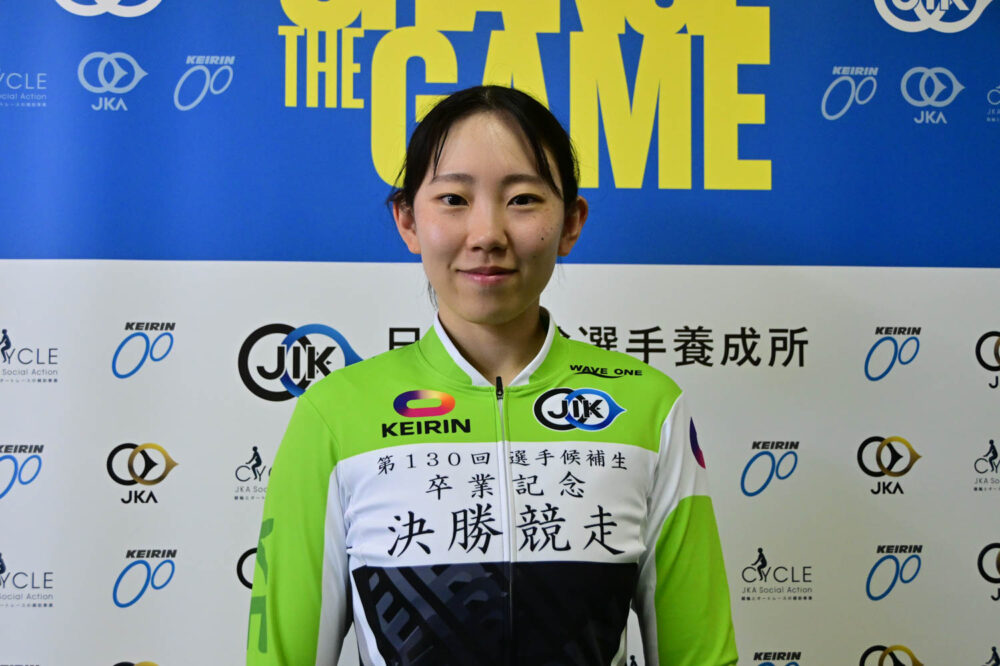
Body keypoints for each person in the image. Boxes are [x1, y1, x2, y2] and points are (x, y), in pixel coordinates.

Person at [247, 85, 737, 666]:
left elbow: (699, 656)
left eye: (523, 199)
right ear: (407, 220)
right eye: (453, 198)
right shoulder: (334, 414)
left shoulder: (650, 409)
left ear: (571, 222)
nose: (487, 235)